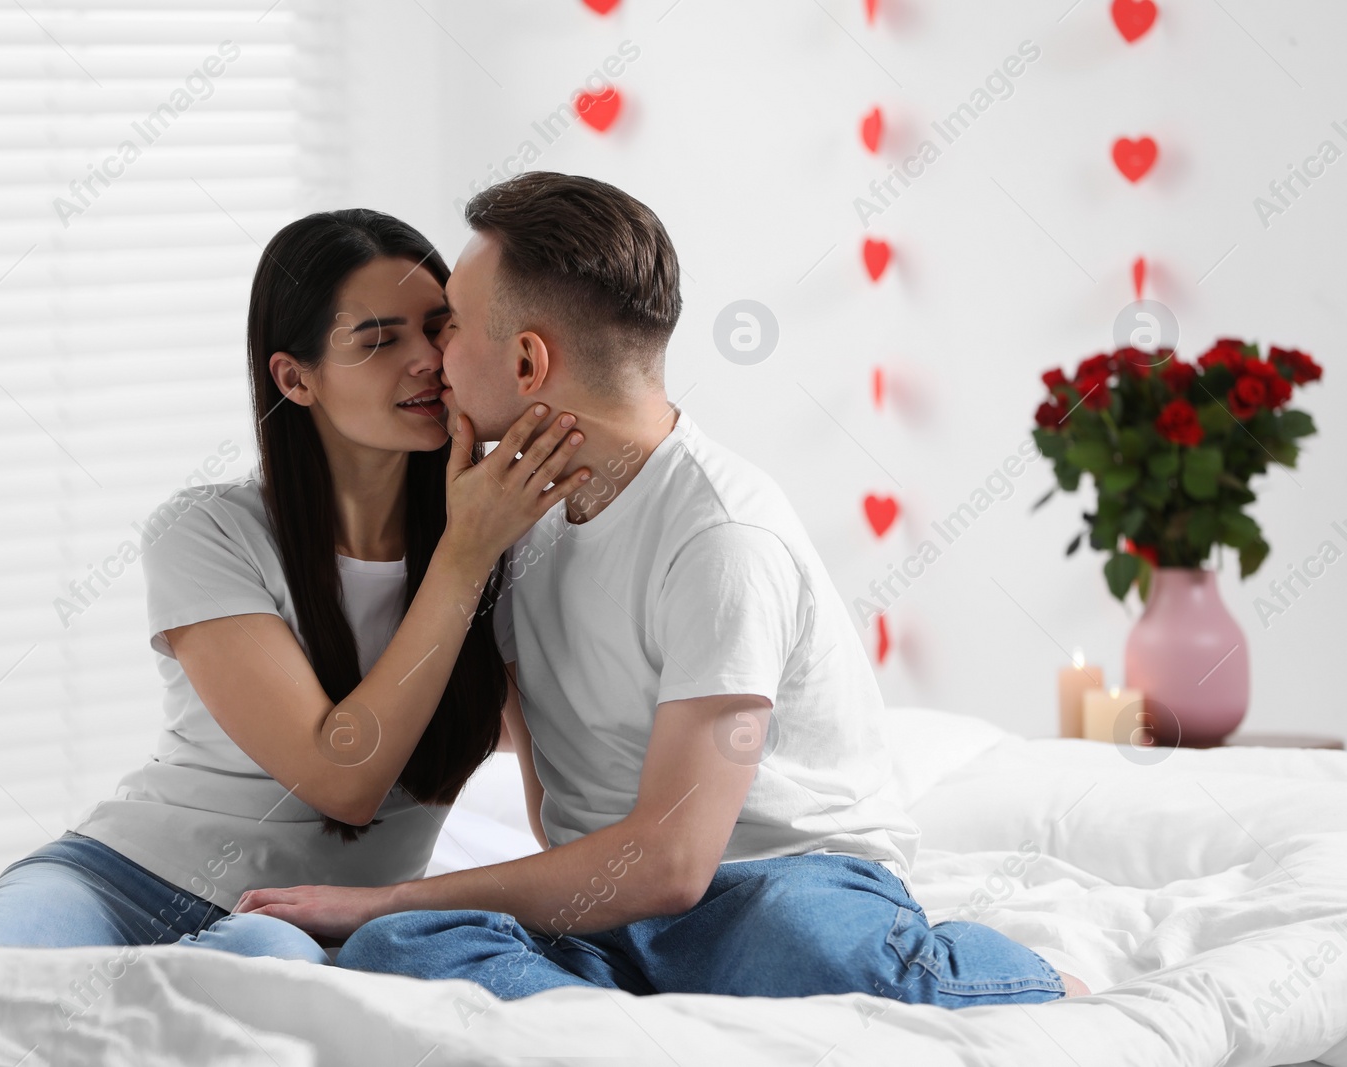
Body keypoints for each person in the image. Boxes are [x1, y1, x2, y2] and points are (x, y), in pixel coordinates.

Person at [234, 173, 1090, 1004]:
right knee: (397, 950)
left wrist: (383, 894)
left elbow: (676, 865)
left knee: (794, 942)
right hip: (600, 913)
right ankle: (623, 1017)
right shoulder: (504, 516)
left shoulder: (722, 534)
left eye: (450, 325)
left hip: (763, 885)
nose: (431, 358)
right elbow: (551, 787)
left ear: (528, 361)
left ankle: (1030, 982)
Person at [0, 209, 591, 961]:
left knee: (251, 974)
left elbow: (560, 809)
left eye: (440, 328)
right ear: (295, 377)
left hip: (299, 922)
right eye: (378, 340)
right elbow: (341, 776)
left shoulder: (502, 538)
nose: (426, 361)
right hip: (123, 879)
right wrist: (464, 555)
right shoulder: (207, 531)